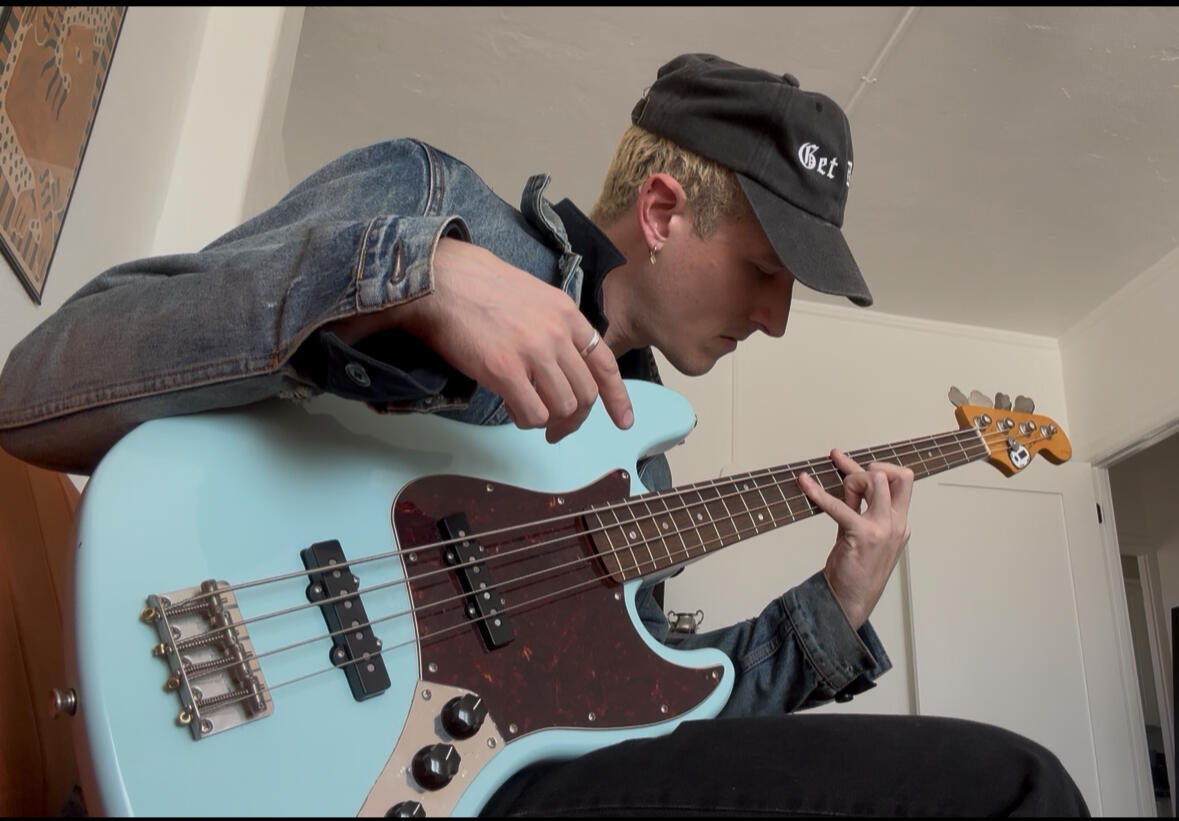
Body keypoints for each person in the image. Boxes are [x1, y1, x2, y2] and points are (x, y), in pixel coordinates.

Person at [0, 53, 1088, 816]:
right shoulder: (434, 204)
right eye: (765, 271)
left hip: (449, 789)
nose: (775, 318)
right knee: (1018, 789)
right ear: (662, 212)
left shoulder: (640, 462)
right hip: (212, 673)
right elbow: (41, 386)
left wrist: (837, 607)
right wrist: (417, 273)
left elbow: (648, 740)